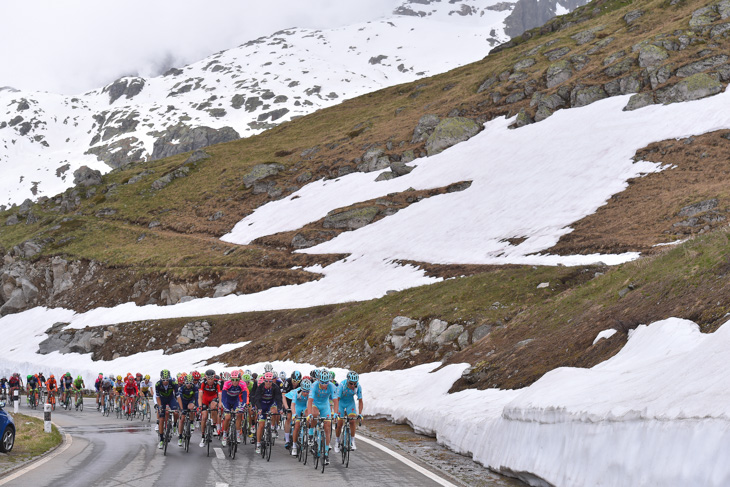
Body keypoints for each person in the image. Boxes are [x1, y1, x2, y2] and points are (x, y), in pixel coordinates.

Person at [306, 368, 338, 466]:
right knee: (314, 415)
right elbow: (310, 401)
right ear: (319, 380)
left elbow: (336, 401)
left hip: (325, 406)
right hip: (315, 404)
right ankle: (311, 434)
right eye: (322, 383)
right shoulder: (314, 385)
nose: (324, 385)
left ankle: (326, 453)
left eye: (326, 383)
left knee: (327, 427)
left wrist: (336, 413)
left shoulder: (332, 386)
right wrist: (310, 414)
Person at [253, 371, 283, 454]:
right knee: (261, 425)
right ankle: (258, 444)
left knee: (274, 411)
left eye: (270, 381)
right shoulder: (261, 387)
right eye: (267, 381)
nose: (268, 383)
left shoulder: (275, 387)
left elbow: (279, 399)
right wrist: (259, 409)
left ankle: (273, 428)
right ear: (264, 381)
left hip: (271, 404)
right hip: (262, 405)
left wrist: (280, 409)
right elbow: (257, 399)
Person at [334, 371, 364, 452]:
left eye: (354, 383)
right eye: (351, 383)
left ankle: (352, 441)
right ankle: (337, 441)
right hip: (341, 403)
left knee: (352, 421)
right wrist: (335, 413)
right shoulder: (342, 385)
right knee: (339, 423)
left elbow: (360, 401)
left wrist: (360, 414)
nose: (353, 385)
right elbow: (337, 400)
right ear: (347, 381)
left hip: (350, 404)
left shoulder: (358, 387)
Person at [220, 370, 248, 446]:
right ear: (230, 379)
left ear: (239, 379)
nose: (234, 382)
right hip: (227, 401)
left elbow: (245, 397)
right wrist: (225, 407)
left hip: (236, 401)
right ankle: (225, 435)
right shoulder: (227, 383)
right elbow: (223, 398)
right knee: (228, 417)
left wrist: (242, 407)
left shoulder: (242, 384)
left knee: (239, 414)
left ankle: (237, 434)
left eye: (236, 380)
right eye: (233, 379)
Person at [285, 378, 311, 456]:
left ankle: (308, 434)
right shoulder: (297, 392)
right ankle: (294, 446)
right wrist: (294, 415)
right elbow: (292, 405)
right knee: (296, 426)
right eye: (304, 391)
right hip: (297, 407)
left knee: (308, 416)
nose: (306, 393)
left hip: (305, 407)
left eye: (307, 391)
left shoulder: (311, 393)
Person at [154, 370, 179, 449]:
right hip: (162, 399)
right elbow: (157, 397)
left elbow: (177, 395)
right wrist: (159, 406)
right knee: (161, 418)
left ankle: (174, 425)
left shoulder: (173, 383)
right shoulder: (158, 384)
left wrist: (179, 407)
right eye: (163, 379)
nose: (165, 381)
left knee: (175, 412)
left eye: (167, 379)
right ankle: (161, 440)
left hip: (171, 399)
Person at [198, 369, 221, 448]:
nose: (210, 380)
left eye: (212, 378)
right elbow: (200, 396)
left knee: (213, 407)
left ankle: (214, 426)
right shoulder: (202, 382)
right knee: (204, 417)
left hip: (213, 398)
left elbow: (220, 395)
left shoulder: (217, 382)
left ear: (214, 377)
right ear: (206, 378)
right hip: (205, 398)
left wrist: (220, 404)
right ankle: (203, 437)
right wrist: (200, 406)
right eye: (208, 379)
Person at [281, 370, 302, 449]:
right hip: (288, 400)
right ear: (291, 378)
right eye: (294, 381)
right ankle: (287, 440)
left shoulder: (302, 383)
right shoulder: (287, 382)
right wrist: (286, 407)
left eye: (297, 381)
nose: (295, 383)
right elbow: (283, 396)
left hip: (297, 400)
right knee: (289, 417)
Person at [176, 375, 199, 447]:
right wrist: (181, 409)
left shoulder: (194, 388)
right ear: (184, 383)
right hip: (183, 402)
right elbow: (178, 399)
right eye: (187, 383)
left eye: (190, 383)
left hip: (190, 401)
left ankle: (191, 422)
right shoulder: (182, 388)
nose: (188, 384)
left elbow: (197, 398)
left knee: (191, 408)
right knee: (182, 419)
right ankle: (180, 437)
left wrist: (198, 407)